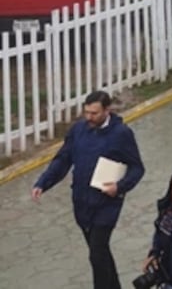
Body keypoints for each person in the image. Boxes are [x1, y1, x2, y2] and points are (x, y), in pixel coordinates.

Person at [32, 90, 145, 289]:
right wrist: (43, 183)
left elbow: (137, 168)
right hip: (82, 203)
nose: (89, 118)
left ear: (107, 110)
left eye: (94, 113)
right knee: (100, 254)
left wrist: (120, 187)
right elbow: (63, 159)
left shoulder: (121, 134)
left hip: (106, 204)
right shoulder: (78, 131)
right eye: (86, 113)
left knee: (97, 253)